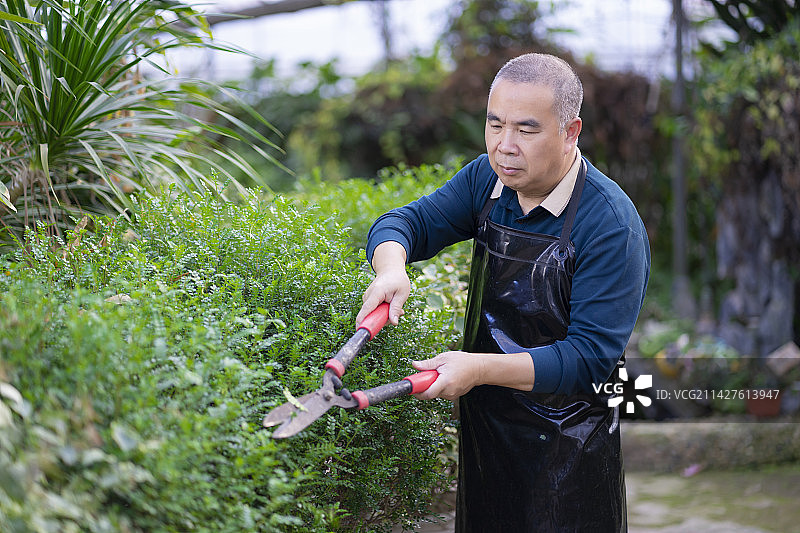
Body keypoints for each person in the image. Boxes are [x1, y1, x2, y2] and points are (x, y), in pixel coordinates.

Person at [356, 53, 650, 532]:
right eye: (495, 125)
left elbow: (589, 358)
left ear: (570, 131)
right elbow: (405, 222)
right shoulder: (486, 182)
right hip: (486, 433)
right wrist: (391, 267)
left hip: (569, 448)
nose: (504, 146)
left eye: (526, 130)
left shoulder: (611, 225)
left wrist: (478, 369)